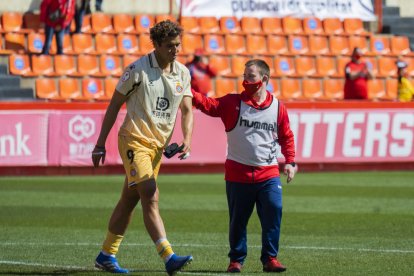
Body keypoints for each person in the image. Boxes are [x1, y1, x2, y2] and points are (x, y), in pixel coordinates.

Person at [91, 20, 194, 275]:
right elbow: (114, 105)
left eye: (178, 45)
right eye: (170, 46)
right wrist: (100, 143)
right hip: (134, 139)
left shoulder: (183, 73)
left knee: (129, 200)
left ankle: (106, 254)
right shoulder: (137, 70)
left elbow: (188, 109)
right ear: (157, 45)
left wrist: (187, 140)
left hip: (157, 147)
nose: (176, 50)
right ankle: (168, 256)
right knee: (150, 191)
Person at [192, 59, 296, 273]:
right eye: (244, 76)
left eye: (250, 77)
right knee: (238, 220)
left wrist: (290, 161)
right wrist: (187, 90)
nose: (245, 81)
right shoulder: (232, 102)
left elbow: (286, 136)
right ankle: (236, 260)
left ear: (264, 79)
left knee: (274, 211)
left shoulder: (278, 107)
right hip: (238, 173)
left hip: (268, 173)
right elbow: (208, 104)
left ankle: (270, 259)